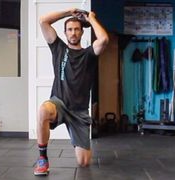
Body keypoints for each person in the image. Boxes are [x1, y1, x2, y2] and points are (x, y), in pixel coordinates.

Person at [34, 8, 109, 176]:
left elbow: (103, 39)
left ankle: (76, 137)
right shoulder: (58, 48)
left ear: (82, 32)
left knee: (83, 162)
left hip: (79, 111)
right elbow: (43, 21)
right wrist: (69, 12)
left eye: (76, 29)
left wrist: (91, 18)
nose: (73, 32)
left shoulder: (89, 54)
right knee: (43, 110)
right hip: (58, 103)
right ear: (65, 32)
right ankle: (42, 158)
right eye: (70, 29)